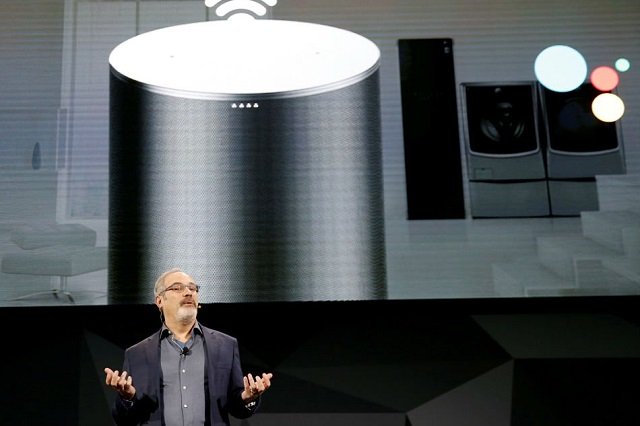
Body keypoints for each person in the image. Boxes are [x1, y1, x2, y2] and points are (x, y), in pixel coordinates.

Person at [104, 267, 273, 426]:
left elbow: (238, 409)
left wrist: (248, 398)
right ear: (160, 300)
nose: (188, 292)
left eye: (193, 288)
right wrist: (127, 398)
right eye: (177, 288)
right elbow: (125, 420)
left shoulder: (225, 345)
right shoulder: (137, 354)